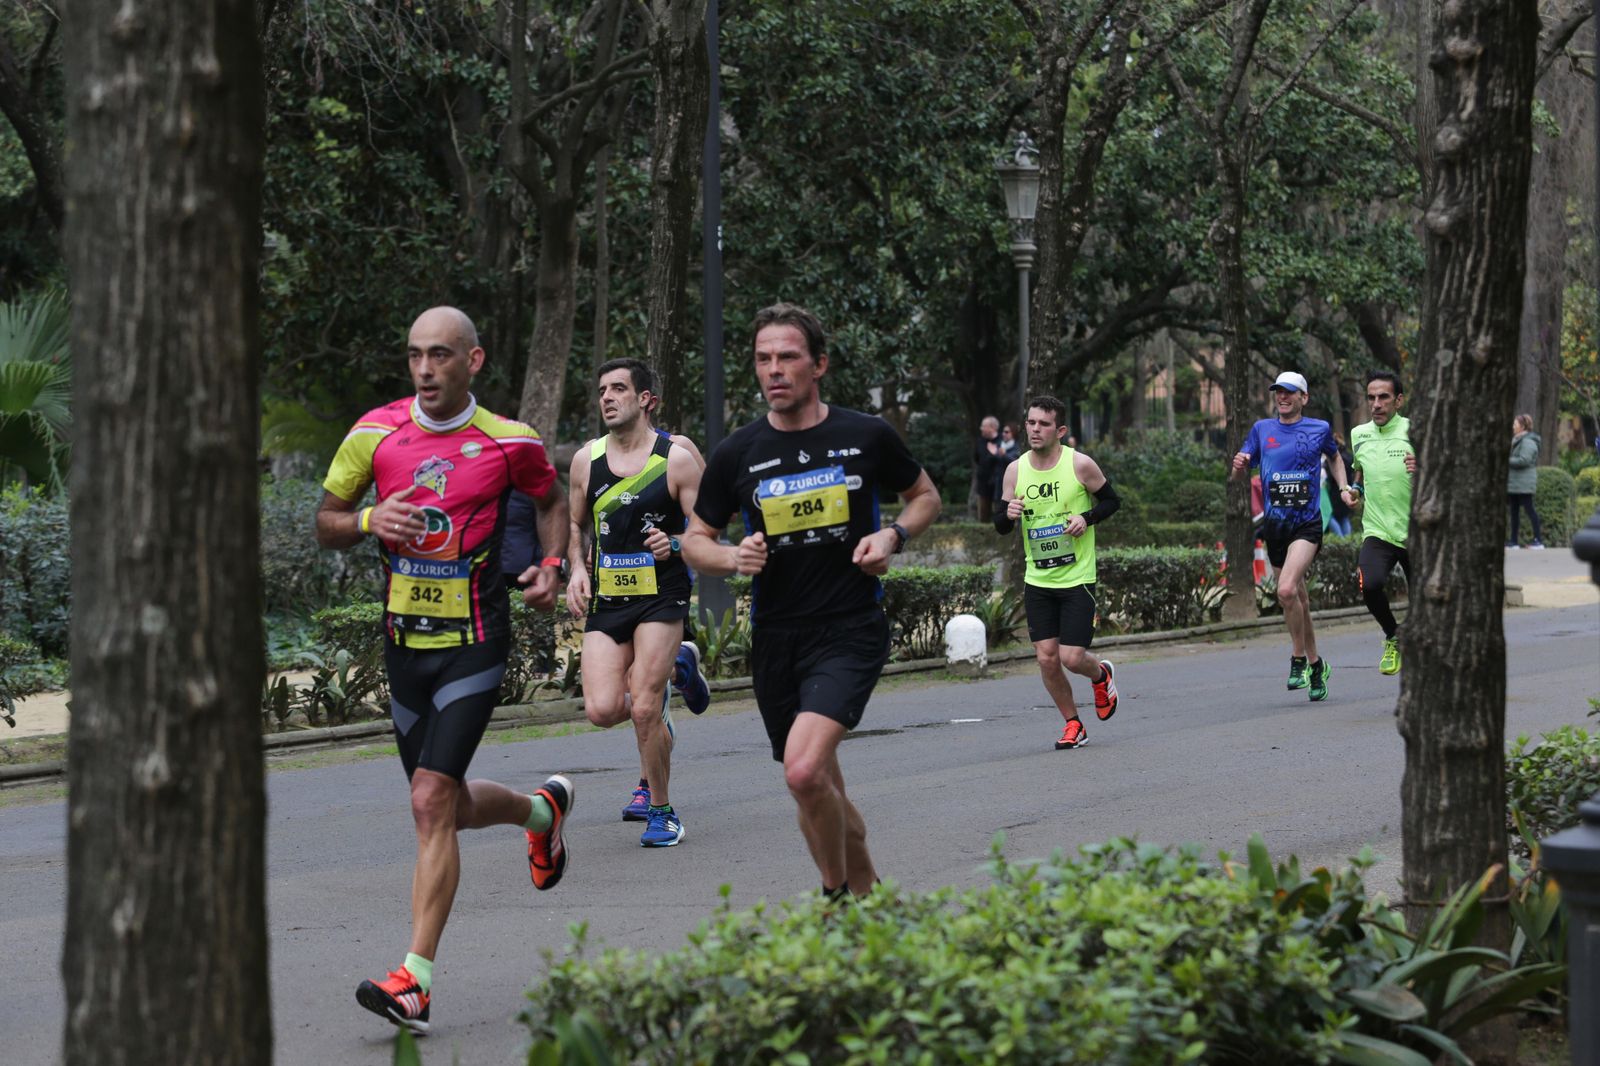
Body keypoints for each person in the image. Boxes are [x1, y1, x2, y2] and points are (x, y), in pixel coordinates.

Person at [315, 306, 575, 1033]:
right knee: (448, 807)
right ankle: (540, 812)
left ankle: (415, 982)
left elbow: (550, 498)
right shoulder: (374, 434)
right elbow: (327, 521)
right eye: (415, 356)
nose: (425, 370)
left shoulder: (509, 440)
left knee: (429, 800)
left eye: (440, 355)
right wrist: (367, 520)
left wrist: (553, 563)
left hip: (475, 641)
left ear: (473, 361)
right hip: (405, 646)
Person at [682, 302, 942, 899]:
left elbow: (924, 495)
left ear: (819, 364)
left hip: (849, 628)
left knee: (803, 772)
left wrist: (892, 536)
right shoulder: (738, 452)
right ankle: (869, 896)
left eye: (787, 357)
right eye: (763, 359)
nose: (774, 370)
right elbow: (696, 540)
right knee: (817, 783)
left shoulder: (865, 435)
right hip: (777, 638)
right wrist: (733, 557)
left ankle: (833, 900)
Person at [565, 358, 709, 848]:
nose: (606, 397)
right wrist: (576, 568)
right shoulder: (586, 460)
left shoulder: (676, 459)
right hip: (610, 598)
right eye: (602, 390)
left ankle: (663, 813)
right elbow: (575, 523)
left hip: (661, 596)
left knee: (645, 707)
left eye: (618, 389)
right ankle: (679, 666)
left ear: (646, 399)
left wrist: (676, 541)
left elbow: (707, 530)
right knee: (603, 709)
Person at [995, 395, 1121, 750]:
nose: (1035, 429)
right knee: (1046, 658)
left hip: (1077, 577)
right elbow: (1000, 524)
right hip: (1038, 579)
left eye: (1044, 424)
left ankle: (1101, 674)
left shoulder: (1079, 464)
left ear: (1060, 430)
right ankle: (1073, 724)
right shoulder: (1015, 470)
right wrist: (1008, 514)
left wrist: (1086, 518)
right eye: (1031, 422)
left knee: (1071, 657)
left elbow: (1112, 501)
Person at [1231, 371, 1350, 701]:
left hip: (1306, 523)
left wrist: (1342, 488)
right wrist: (1239, 465)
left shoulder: (1319, 429)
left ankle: (1297, 658)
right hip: (1276, 527)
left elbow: (1335, 457)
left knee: (1285, 590)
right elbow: (1238, 474)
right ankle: (1316, 665)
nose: (1282, 397)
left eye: (1289, 392)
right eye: (1278, 392)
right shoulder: (1262, 430)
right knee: (1298, 599)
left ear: (1303, 398)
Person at [1344, 372, 1416, 675]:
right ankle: (1393, 635)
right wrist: (1355, 490)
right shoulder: (1359, 434)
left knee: (1428, 600)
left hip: (1417, 532)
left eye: (1383, 397)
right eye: (1371, 397)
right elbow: (1359, 470)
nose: (1376, 404)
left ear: (1398, 401)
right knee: (1370, 585)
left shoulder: (1415, 431)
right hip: (1378, 530)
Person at [1507, 413, 1544, 549]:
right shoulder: (1517, 440)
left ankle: (1538, 540)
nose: (1513, 426)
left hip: (1524, 483)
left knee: (1530, 510)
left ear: (1522, 427)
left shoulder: (1528, 442)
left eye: (1515, 424)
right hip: (1515, 483)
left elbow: (1524, 460)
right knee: (1514, 512)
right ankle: (1513, 541)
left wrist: (1506, 460)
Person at [972, 415, 1004, 522]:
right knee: (983, 514)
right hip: (983, 484)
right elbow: (977, 458)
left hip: (999, 484)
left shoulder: (1003, 441)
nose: (981, 428)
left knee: (999, 514)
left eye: (983, 426)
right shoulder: (980, 442)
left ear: (992, 427)